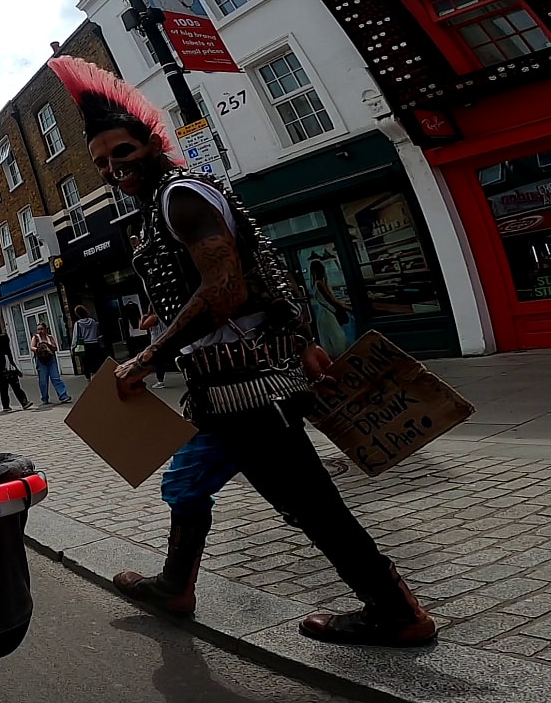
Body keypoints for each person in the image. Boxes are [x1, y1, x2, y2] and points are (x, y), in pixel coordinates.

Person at [49, 55, 436, 648]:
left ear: (152, 142)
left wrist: (149, 354)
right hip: (221, 389)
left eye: (121, 153)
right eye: (101, 163)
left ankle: (395, 611)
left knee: (308, 502)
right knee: (185, 482)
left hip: (246, 392)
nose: (112, 169)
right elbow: (264, 270)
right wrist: (295, 337)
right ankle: (175, 585)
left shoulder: (181, 196)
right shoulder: (167, 202)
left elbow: (227, 289)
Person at [308, 259, 352, 358]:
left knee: (330, 338)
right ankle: (340, 356)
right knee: (337, 336)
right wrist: (347, 307)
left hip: (324, 313)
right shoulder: (320, 283)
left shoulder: (315, 283)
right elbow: (331, 299)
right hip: (327, 314)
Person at [0, 333, 33, 412]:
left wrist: (17, 370)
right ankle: (6, 406)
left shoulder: (7, 349)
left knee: (17, 388)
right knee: (4, 390)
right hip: (2, 374)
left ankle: (24, 403)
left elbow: (11, 361)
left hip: (11, 372)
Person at [30, 322, 71, 405]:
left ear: (45, 329)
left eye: (41, 329)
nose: (40, 331)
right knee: (43, 381)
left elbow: (55, 347)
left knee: (56, 378)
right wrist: (38, 349)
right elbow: (32, 347)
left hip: (51, 359)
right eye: (38, 329)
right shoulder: (36, 337)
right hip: (41, 360)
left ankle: (63, 396)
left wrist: (48, 345)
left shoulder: (50, 337)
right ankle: (44, 398)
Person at [70, 305, 104, 381]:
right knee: (96, 363)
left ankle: (89, 380)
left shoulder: (78, 324)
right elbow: (97, 333)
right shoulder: (93, 321)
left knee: (86, 364)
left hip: (84, 346)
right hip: (94, 344)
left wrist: (72, 348)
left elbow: (76, 337)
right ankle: (97, 378)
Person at [139, 309, 169, 389]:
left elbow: (142, 327)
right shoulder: (163, 316)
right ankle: (160, 380)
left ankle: (160, 381)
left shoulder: (154, 317)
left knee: (158, 362)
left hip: (157, 342)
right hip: (164, 340)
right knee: (160, 361)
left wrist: (142, 318)